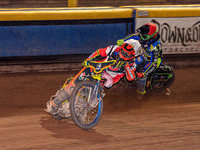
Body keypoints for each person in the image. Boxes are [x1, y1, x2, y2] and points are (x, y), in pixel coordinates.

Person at [45, 38, 142, 119]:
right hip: (96, 68)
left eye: (127, 54)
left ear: (133, 56)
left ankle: (78, 112)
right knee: (72, 86)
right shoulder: (114, 48)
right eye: (123, 51)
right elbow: (99, 52)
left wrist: (127, 66)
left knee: (93, 100)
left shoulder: (132, 63)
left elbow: (131, 78)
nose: (123, 54)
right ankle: (53, 104)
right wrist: (88, 60)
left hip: (107, 78)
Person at [117, 23, 164, 95]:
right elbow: (132, 36)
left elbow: (153, 64)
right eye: (141, 34)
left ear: (151, 36)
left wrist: (144, 73)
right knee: (129, 61)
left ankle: (140, 94)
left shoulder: (155, 46)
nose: (141, 37)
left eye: (143, 36)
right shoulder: (143, 35)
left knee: (141, 76)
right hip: (142, 56)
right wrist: (123, 41)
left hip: (153, 61)